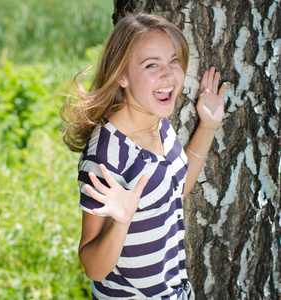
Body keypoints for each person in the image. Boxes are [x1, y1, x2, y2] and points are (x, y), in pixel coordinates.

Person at [60, 12, 227, 299]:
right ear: (122, 75)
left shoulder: (157, 121)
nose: (168, 74)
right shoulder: (107, 154)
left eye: (173, 60)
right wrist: (122, 221)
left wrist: (209, 125)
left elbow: (175, 189)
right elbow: (93, 268)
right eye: (152, 64)